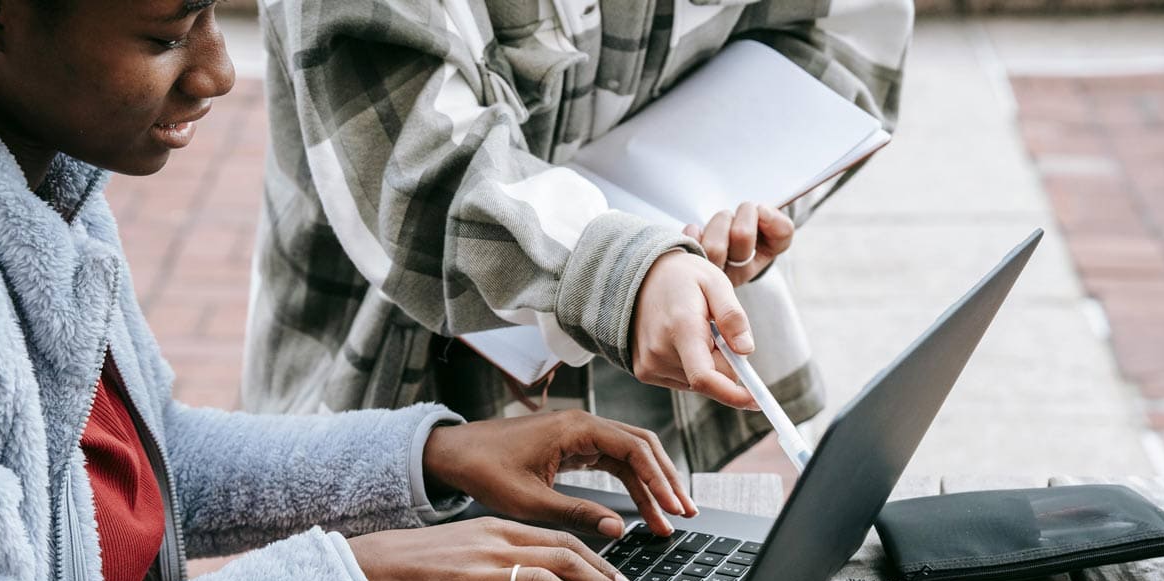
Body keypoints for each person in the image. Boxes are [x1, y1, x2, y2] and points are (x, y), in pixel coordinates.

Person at [0, 2, 698, 581]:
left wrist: (432, 457)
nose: (219, 72)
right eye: (165, 38)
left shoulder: (51, 187)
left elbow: (140, 464)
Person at [244, 0, 913, 472]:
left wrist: (753, 200)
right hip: (406, 407)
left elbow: (838, 37)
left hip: (662, 400)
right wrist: (626, 276)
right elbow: (415, 168)